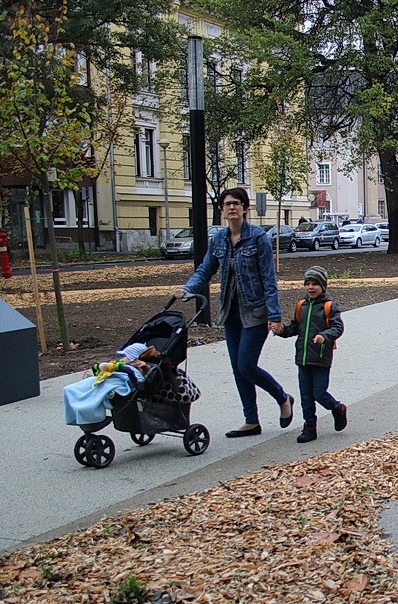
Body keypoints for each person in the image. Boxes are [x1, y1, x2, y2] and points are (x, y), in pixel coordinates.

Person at [176, 186, 293, 438]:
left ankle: (283, 398)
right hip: (231, 313)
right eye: (227, 204)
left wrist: (274, 316)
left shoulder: (258, 238)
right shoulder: (218, 239)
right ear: (221, 210)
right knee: (237, 367)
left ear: (245, 208)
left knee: (246, 365)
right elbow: (205, 270)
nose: (232, 207)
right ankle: (251, 420)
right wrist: (187, 289)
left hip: (256, 312)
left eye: (237, 203)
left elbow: (269, 279)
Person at [274, 266, 346, 443]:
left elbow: (338, 327)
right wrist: (282, 330)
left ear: (323, 286)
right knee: (306, 395)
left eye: (315, 284)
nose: (311, 288)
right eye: (307, 284)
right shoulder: (302, 305)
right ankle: (310, 426)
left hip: (321, 357)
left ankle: (338, 408)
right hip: (303, 358)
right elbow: (295, 328)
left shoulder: (329, 306)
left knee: (319, 393)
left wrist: (324, 335)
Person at [62, 342, 157, 426]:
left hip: (114, 383)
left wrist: (143, 368)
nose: (121, 359)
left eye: (124, 357)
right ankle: (74, 395)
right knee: (77, 387)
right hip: (104, 380)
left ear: (134, 359)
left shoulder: (134, 370)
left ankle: (89, 413)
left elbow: (139, 381)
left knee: (95, 391)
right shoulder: (122, 367)